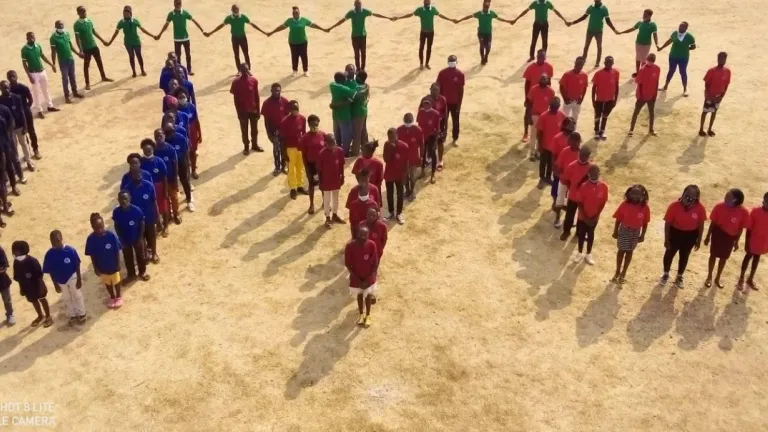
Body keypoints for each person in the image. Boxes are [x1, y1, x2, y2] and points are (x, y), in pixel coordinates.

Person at [661, 185, 706, 288]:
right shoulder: (674, 206)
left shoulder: (700, 208)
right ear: (684, 193)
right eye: (688, 194)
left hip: (690, 236)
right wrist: (666, 239)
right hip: (675, 233)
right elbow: (667, 223)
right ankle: (665, 274)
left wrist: (699, 239)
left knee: (684, 256)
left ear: (697, 196)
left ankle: (680, 276)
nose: (690, 197)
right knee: (669, 254)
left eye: (693, 195)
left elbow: (701, 225)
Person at [704, 189, 749, 289]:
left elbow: (740, 228)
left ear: (736, 200)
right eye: (726, 195)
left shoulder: (744, 212)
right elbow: (713, 223)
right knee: (713, 255)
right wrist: (708, 236)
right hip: (718, 234)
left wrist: (736, 242)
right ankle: (709, 277)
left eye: (728, 197)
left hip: (730, 237)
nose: (725, 197)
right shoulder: (719, 207)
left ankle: (718, 278)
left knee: (724, 258)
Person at [392, 0, 456, 69]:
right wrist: (399, 18)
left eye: (428, 1)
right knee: (421, 48)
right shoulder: (420, 10)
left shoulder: (433, 9)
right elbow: (410, 15)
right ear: (423, 2)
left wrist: (450, 19)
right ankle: (421, 64)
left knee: (429, 48)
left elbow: (440, 15)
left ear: (430, 2)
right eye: (426, 1)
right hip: (423, 32)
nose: (427, 2)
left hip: (431, 32)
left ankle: (427, 64)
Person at [266, 6, 329, 76]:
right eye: (294, 12)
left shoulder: (303, 20)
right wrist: (272, 32)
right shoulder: (289, 21)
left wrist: (323, 29)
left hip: (303, 42)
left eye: (296, 12)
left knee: (304, 56)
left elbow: (313, 25)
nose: (295, 13)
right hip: (292, 42)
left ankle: (305, 70)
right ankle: (294, 70)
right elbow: (281, 27)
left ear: (299, 12)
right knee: (294, 56)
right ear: (292, 14)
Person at [329, 1, 392, 71]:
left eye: (359, 4)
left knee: (363, 53)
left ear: (361, 5)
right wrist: (331, 27)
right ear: (354, 5)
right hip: (355, 36)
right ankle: (358, 68)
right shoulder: (351, 13)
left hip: (363, 35)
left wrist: (388, 17)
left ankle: (362, 68)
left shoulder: (364, 11)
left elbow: (376, 14)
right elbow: (342, 21)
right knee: (356, 54)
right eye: (357, 4)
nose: (358, 6)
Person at [205, 4, 266, 72]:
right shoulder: (229, 18)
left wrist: (263, 32)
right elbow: (221, 26)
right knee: (236, 55)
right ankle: (239, 70)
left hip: (243, 37)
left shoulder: (243, 17)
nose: (236, 11)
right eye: (234, 10)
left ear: (239, 10)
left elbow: (253, 25)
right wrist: (211, 32)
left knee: (246, 53)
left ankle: (248, 69)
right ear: (232, 10)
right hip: (234, 38)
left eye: (237, 10)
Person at [43, 230, 85, 325]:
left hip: (72, 276)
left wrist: (78, 279)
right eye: (53, 242)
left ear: (62, 239)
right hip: (60, 280)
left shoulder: (70, 250)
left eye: (58, 240)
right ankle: (72, 314)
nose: (56, 243)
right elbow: (50, 270)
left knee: (77, 295)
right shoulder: (49, 255)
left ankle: (82, 313)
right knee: (66, 297)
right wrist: (55, 284)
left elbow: (77, 264)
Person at [611, 184, 650, 285]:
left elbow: (645, 223)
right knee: (621, 250)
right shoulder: (624, 204)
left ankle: (624, 273)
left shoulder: (645, 208)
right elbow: (618, 219)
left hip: (635, 232)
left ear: (643, 195)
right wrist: (615, 231)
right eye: (633, 193)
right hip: (624, 230)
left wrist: (643, 235)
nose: (635, 196)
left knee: (629, 251)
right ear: (629, 193)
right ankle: (617, 271)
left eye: (638, 194)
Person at [455, 1, 515, 65]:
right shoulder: (479, 13)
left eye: (486, 8)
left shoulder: (491, 13)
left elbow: (499, 18)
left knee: (488, 47)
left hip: (488, 33)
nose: (484, 9)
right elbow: (469, 16)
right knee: (482, 45)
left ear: (488, 8)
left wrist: (508, 21)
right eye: (484, 7)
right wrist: (459, 20)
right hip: (481, 33)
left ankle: (486, 55)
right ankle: (482, 58)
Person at [107, 6, 159, 77]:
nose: (125, 14)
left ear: (130, 13)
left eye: (126, 12)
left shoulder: (135, 21)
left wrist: (152, 35)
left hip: (136, 42)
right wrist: (110, 42)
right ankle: (134, 72)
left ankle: (142, 70)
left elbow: (143, 30)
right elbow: (116, 33)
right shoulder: (121, 22)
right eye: (124, 12)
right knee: (131, 57)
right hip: (128, 43)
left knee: (139, 56)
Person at [85, 213, 123, 308]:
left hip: (113, 264)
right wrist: (95, 268)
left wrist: (118, 264)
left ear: (103, 225)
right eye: (96, 228)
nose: (99, 230)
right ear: (92, 227)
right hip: (102, 266)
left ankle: (118, 296)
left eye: (101, 227)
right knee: (107, 282)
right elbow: (92, 255)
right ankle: (112, 297)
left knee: (116, 281)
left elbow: (117, 251)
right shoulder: (91, 239)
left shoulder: (111, 236)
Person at [157, 0, 205, 75]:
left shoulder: (185, 13)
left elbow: (194, 21)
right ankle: (178, 71)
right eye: (177, 3)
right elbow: (166, 25)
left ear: (181, 4)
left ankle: (189, 70)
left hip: (186, 38)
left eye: (179, 3)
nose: (178, 5)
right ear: (174, 4)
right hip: (177, 39)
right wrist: (160, 34)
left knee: (188, 55)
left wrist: (202, 30)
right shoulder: (171, 14)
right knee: (177, 56)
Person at [12, 240, 52, 327]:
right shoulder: (16, 262)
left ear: (22, 251)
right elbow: (16, 276)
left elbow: (39, 274)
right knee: (33, 300)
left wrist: (34, 281)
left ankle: (48, 316)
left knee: (42, 299)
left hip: (37, 285)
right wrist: (22, 286)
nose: (14, 252)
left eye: (16, 250)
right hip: (27, 287)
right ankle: (40, 315)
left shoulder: (32, 260)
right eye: (14, 250)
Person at [573, 165, 608, 264]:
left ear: (599, 174)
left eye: (596, 174)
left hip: (594, 217)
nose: (594, 176)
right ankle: (579, 253)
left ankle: (588, 254)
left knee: (591, 234)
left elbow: (603, 202)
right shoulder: (583, 186)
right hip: (582, 217)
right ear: (588, 175)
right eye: (592, 174)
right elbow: (579, 203)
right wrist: (585, 217)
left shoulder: (604, 187)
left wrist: (596, 215)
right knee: (581, 234)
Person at [112, 191, 150, 283]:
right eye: (121, 199)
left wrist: (140, 238)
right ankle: (131, 274)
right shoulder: (116, 212)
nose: (124, 201)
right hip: (125, 239)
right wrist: (120, 238)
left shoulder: (136, 210)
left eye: (125, 198)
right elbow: (116, 225)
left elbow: (142, 223)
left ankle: (142, 272)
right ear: (118, 200)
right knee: (127, 257)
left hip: (137, 237)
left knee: (140, 256)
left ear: (130, 199)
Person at [345, 224, 379, 327]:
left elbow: (375, 263)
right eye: (360, 235)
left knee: (368, 296)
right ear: (356, 234)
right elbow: (348, 264)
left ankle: (368, 315)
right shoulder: (350, 246)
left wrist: (368, 279)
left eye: (365, 235)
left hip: (369, 278)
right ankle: (361, 314)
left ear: (368, 235)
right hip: (356, 278)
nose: (362, 237)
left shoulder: (372, 245)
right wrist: (358, 280)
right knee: (359, 295)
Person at [568, 0, 617, 68]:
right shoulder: (591, 7)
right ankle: (583, 60)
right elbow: (584, 17)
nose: (596, 1)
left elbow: (608, 21)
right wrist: (573, 22)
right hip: (590, 30)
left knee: (599, 47)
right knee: (586, 46)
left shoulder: (604, 9)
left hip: (598, 31)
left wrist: (614, 29)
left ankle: (597, 62)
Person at [73, 6, 113, 90]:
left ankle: (103, 77)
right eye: (82, 11)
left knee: (99, 62)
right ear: (78, 13)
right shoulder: (76, 25)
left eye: (85, 11)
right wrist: (80, 50)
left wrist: (103, 41)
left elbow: (94, 32)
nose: (84, 13)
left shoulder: (89, 21)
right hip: (86, 48)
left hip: (94, 46)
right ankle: (87, 83)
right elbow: (77, 39)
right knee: (86, 66)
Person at [21, 32, 58, 118]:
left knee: (46, 89)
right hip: (33, 73)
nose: (32, 39)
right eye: (30, 37)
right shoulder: (24, 50)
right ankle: (39, 110)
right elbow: (24, 64)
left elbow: (42, 56)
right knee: (36, 92)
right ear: (27, 38)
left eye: (33, 37)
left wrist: (51, 65)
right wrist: (29, 76)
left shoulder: (38, 46)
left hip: (42, 71)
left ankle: (50, 106)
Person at [139, 139, 165, 262]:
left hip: (149, 210)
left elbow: (153, 199)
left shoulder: (148, 177)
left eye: (149, 149)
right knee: (142, 234)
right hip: (139, 213)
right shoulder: (127, 178)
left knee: (152, 231)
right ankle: (146, 251)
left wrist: (156, 215)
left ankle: (154, 252)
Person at [0, 80, 35, 172]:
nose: (6, 89)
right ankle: (17, 167)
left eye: (7, 87)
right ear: (0, 89)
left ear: (10, 87)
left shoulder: (16, 98)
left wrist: (25, 125)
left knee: (24, 144)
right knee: (13, 148)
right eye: (4, 88)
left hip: (19, 126)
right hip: (9, 129)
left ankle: (29, 161)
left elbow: (22, 112)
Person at [230, 63, 263, 155]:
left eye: (247, 70)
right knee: (244, 130)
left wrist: (258, 110)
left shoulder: (253, 81)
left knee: (254, 130)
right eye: (244, 70)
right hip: (242, 111)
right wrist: (238, 112)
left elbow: (257, 96)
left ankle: (255, 145)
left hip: (253, 110)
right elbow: (235, 99)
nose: (246, 72)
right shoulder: (236, 82)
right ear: (240, 71)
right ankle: (246, 147)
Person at [559, 145, 590, 240]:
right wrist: (571, 188)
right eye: (581, 155)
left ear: (588, 156)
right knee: (569, 215)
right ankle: (566, 231)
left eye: (585, 155)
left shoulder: (591, 168)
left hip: (584, 198)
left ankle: (579, 233)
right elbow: (566, 179)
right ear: (578, 154)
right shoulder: (572, 166)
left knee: (582, 217)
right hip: (573, 196)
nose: (582, 157)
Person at [523, 49, 554, 142]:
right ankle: (525, 133)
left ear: (545, 57)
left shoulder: (549, 67)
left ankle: (539, 135)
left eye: (543, 56)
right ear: (536, 56)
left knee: (542, 116)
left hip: (544, 96)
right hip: (532, 95)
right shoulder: (530, 67)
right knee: (527, 114)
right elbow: (527, 83)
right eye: (539, 56)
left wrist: (549, 96)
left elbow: (549, 82)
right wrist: (526, 98)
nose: (541, 58)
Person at [50, 20, 85, 103]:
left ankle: (75, 92)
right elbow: (53, 51)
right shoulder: (53, 38)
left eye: (62, 24)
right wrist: (53, 64)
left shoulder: (67, 34)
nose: (61, 26)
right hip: (62, 61)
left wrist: (77, 54)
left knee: (72, 76)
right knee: (65, 79)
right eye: (59, 25)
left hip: (70, 58)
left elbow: (71, 46)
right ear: (56, 26)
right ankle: (67, 96)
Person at [739, 192, 768, 292]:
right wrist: (747, 242)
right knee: (748, 257)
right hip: (753, 240)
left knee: (756, 259)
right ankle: (741, 278)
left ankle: (750, 278)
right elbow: (749, 229)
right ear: (764, 200)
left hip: (763, 242)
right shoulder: (755, 211)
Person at [7, 71, 40, 158]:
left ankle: (36, 149)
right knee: (23, 134)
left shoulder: (23, 88)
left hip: (26, 113)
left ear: (17, 76)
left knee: (31, 132)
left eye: (13, 76)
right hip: (16, 116)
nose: (12, 78)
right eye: (10, 77)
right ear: (8, 78)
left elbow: (30, 99)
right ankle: (28, 153)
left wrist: (26, 108)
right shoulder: (8, 90)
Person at [616, 9, 658, 77]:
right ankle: (638, 72)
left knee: (644, 60)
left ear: (650, 16)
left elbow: (655, 35)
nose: (643, 16)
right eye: (643, 14)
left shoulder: (653, 25)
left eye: (645, 15)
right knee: (638, 58)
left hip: (646, 44)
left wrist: (657, 44)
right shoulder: (640, 22)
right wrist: (621, 32)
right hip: (638, 43)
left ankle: (642, 73)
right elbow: (632, 29)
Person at [162, 121, 193, 212]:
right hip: (170, 166)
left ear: (174, 130)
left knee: (185, 181)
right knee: (170, 185)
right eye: (166, 133)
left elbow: (186, 151)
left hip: (181, 163)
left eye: (170, 132)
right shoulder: (163, 141)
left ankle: (189, 200)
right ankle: (172, 206)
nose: (168, 135)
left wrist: (188, 162)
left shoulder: (181, 138)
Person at [153, 128, 181, 229]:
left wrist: (175, 180)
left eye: (161, 135)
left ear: (164, 136)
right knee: (165, 199)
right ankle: (168, 214)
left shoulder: (170, 149)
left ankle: (176, 213)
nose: (159, 138)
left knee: (174, 197)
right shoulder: (154, 151)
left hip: (170, 178)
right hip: (160, 181)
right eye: (156, 136)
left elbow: (175, 164)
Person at [550, 119, 576, 227]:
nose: (573, 127)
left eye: (574, 125)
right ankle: (557, 213)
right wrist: (554, 169)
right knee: (557, 195)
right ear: (565, 125)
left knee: (567, 195)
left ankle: (562, 208)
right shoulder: (558, 138)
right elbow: (553, 155)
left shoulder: (575, 138)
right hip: (560, 173)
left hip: (571, 175)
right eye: (571, 125)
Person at [535, 96, 566, 188]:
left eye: (555, 105)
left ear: (559, 106)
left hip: (556, 146)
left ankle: (548, 177)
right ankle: (542, 178)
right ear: (549, 105)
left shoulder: (562, 116)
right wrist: (539, 145)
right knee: (543, 163)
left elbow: (564, 130)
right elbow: (539, 132)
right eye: (552, 105)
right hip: (545, 145)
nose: (553, 107)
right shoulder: (543, 116)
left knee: (551, 163)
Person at [316, 133, 346, 228]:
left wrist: (342, 177)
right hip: (326, 180)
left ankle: (335, 214)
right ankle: (327, 217)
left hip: (336, 179)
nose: (333, 146)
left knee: (336, 197)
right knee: (327, 198)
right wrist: (321, 182)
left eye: (334, 143)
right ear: (326, 143)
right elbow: (319, 170)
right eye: (330, 144)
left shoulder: (340, 151)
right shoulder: (322, 154)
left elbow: (341, 165)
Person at [658, 22, 695, 96]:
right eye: (680, 26)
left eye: (682, 27)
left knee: (683, 72)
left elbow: (693, 46)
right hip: (673, 56)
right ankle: (665, 86)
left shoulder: (689, 37)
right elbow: (669, 41)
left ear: (686, 28)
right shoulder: (675, 33)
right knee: (671, 71)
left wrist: (686, 49)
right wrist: (661, 47)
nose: (680, 28)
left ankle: (685, 89)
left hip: (684, 57)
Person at [280, 100, 308, 199]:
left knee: (300, 168)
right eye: (293, 109)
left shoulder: (302, 119)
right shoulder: (284, 122)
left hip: (300, 149)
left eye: (296, 109)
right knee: (291, 170)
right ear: (289, 110)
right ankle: (293, 188)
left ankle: (300, 186)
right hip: (290, 149)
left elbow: (304, 134)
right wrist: (284, 153)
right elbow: (282, 139)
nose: (295, 111)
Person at [699, 52, 731, 137]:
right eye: (721, 59)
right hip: (710, 96)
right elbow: (707, 84)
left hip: (718, 97)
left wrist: (721, 96)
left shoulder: (727, 71)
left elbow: (726, 85)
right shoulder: (712, 71)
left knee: (714, 112)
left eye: (724, 59)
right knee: (705, 112)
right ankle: (701, 129)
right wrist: (709, 96)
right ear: (718, 59)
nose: (722, 60)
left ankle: (709, 129)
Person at [629, 53, 660, 136]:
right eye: (648, 60)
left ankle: (651, 129)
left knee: (651, 112)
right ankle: (631, 130)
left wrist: (655, 94)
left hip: (651, 95)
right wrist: (641, 96)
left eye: (651, 61)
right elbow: (640, 84)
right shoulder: (642, 69)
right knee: (636, 112)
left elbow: (656, 81)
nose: (649, 62)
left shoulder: (657, 69)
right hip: (642, 96)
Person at [300, 115, 326, 215]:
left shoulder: (323, 135)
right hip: (311, 164)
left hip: (322, 164)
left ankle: (325, 202)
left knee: (323, 183)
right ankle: (311, 204)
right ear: (309, 125)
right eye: (312, 124)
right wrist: (306, 168)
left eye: (316, 124)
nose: (314, 126)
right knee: (311, 184)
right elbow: (304, 154)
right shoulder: (305, 138)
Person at [436, 55, 465, 143]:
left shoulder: (460, 74)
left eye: (453, 61)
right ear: (447, 62)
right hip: (444, 103)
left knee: (455, 121)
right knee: (443, 121)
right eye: (450, 61)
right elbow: (438, 87)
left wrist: (459, 105)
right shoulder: (442, 73)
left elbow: (461, 90)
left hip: (455, 103)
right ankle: (443, 137)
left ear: (457, 62)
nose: (452, 63)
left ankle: (455, 138)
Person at [261, 83, 289, 175]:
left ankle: (284, 165)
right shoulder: (266, 103)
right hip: (274, 131)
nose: (277, 92)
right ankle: (277, 167)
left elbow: (288, 116)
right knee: (276, 150)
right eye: (275, 90)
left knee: (284, 149)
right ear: (271, 91)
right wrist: (269, 134)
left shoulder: (285, 101)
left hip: (284, 131)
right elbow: (266, 121)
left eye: (278, 90)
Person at [383, 128, 409, 224]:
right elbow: (386, 159)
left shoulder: (404, 146)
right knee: (389, 194)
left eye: (392, 137)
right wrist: (390, 149)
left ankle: (399, 213)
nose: (391, 139)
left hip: (399, 174)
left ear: (397, 135)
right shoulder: (386, 145)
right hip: (389, 174)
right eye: (389, 137)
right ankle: (391, 212)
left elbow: (406, 162)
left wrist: (405, 176)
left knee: (400, 194)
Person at [526, 73, 555, 160]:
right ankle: (532, 153)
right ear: (539, 80)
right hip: (535, 115)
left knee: (541, 136)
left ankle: (538, 152)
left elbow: (552, 106)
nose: (543, 80)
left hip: (545, 117)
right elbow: (529, 104)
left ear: (548, 80)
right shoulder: (533, 89)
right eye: (541, 78)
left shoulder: (551, 92)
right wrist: (529, 116)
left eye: (545, 79)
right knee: (533, 135)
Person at [329, 72, 358, 156]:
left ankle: (336, 150)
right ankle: (344, 153)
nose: (346, 79)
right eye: (345, 78)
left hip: (335, 115)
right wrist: (366, 88)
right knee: (346, 136)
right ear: (342, 80)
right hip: (344, 116)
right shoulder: (344, 89)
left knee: (337, 133)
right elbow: (356, 95)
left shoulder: (332, 85)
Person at [174, 89, 201, 178]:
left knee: (193, 152)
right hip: (181, 136)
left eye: (184, 97)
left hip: (192, 134)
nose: (182, 99)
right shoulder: (175, 111)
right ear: (177, 99)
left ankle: (193, 170)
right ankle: (185, 172)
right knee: (183, 155)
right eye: (180, 97)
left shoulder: (191, 107)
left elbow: (196, 121)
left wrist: (199, 134)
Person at [591, 56, 619, 140]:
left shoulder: (616, 73)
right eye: (607, 62)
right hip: (599, 98)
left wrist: (615, 100)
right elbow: (594, 87)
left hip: (609, 99)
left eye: (610, 62)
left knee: (605, 115)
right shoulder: (598, 73)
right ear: (604, 63)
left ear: (613, 63)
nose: (608, 64)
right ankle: (596, 131)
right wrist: (593, 100)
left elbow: (616, 87)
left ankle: (602, 131)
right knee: (597, 115)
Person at [397, 113, 424, 200]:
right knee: (405, 176)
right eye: (406, 121)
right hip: (403, 158)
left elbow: (422, 144)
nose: (407, 122)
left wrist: (422, 156)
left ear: (412, 120)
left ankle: (412, 192)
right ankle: (407, 190)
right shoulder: (399, 130)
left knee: (412, 176)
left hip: (413, 158)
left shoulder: (418, 130)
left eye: (409, 121)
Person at [421, 83, 448, 170]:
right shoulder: (425, 100)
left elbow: (445, 114)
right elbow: (420, 113)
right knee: (428, 143)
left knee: (440, 143)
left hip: (440, 125)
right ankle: (428, 159)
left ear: (439, 91)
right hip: (428, 126)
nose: (435, 92)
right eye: (433, 90)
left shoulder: (442, 99)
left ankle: (440, 160)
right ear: (430, 90)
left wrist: (445, 129)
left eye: (437, 90)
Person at [416, 99, 440, 183]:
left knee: (432, 154)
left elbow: (437, 129)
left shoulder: (435, 114)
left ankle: (433, 174)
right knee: (422, 153)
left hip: (431, 137)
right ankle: (422, 171)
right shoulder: (421, 112)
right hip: (422, 137)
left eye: (427, 104)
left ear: (431, 104)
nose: (426, 105)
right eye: (424, 104)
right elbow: (418, 125)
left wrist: (435, 141)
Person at [559, 57, 588, 123]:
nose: (579, 66)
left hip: (577, 101)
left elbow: (584, 88)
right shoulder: (567, 74)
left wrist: (582, 99)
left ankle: (573, 131)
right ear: (575, 63)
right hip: (568, 101)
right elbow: (561, 87)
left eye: (581, 64)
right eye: (578, 63)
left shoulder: (584, 75)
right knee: (564, 118)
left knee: (575, 118)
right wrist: (564, 98)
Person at [350, 70, 370, 158]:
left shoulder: (357, 89)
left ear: (358, 78)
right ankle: (366, 147)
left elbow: (352, 99)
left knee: (357, 133)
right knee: (363, 131)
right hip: (364, 111)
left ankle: (355, 151)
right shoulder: (366, 86)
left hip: (357, 113)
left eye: (356, 76)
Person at [0, 245, 14, 326]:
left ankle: (10, 314)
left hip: (2, 281)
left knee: (7, 299)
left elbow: (4, 267)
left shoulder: (0, 250)